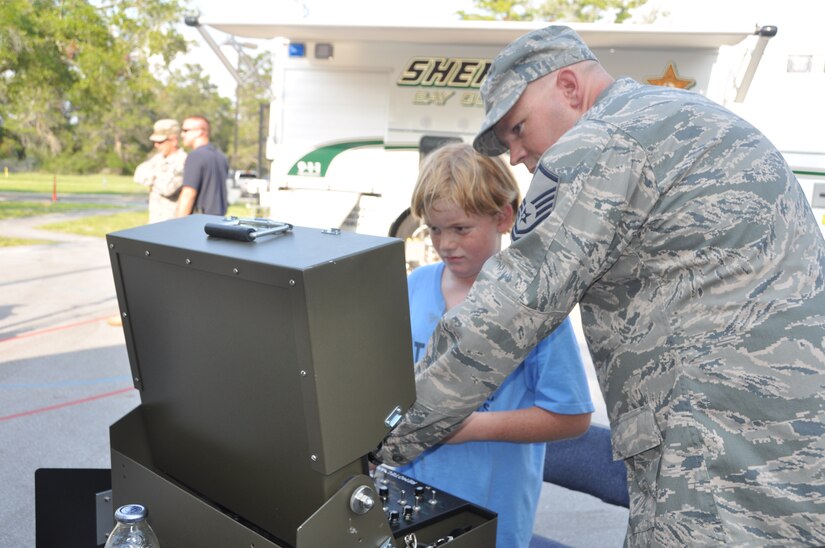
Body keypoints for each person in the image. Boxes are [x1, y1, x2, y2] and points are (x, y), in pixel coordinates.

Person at [372, 26, 825, 547]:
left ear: (569, 87)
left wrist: (382, 438)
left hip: (715, 455)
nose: (515, 155)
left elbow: (508, 310)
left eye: (518, 129)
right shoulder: (684, 118)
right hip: (787, 441)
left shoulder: (600, 140)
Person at [392, 143, 593, 548]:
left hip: (489, 517)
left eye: (461, 229)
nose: (445, 243)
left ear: (504, 217)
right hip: (406, 505)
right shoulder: (412, 288)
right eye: (434, 229)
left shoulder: (534, 304)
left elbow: (572, 417)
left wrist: (469, 428)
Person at [133, 119, 187, 223]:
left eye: (160, 142)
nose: (156, 145)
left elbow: (167, 188)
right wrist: (157, 178)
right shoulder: (158, 158)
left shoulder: (184, 161)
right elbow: (138, 173)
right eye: (155, 142)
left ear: (174, 140)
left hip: (171, 223)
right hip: (155, 220)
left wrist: (152, 178)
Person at [176, 115, 228, 216]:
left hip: (199, 223)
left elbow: (188, 194)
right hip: (219, 222)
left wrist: (178, 225)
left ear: (200, 131)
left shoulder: (196, 156)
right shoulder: (220, 156)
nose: (182, 134)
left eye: (186, 130)